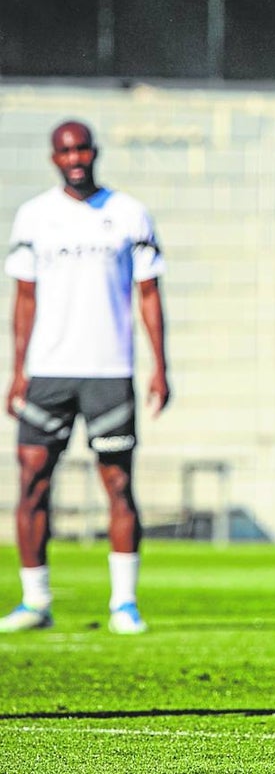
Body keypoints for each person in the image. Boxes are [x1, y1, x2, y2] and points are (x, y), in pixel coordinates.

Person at [1, 120, 169, 636]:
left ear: (94, 152)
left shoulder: (128, 213)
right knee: (32, 482)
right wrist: (18, 370)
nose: (74, 157)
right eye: (64, 150)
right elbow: (24, 298)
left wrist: (161, 365)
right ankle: (36, 600)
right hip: (48, 373)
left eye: (81, 148)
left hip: (108, 370)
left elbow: (149, 294)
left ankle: (124, 603)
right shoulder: (34, 216)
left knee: (118, 483)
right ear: (54, 158)